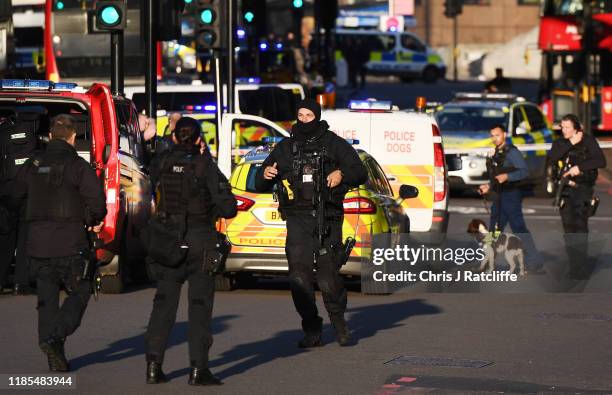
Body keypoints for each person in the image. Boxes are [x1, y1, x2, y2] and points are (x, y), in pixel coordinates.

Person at [255, 99, 368, 348]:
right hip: (297, 221)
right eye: (300, 114)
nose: (304, 119)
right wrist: (264, 174)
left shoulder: (333, 143)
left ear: (316, 116)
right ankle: (312, 329)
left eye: (308, 115)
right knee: (299, 279)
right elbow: (259, 182)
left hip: (327, 218)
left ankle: (339, 324)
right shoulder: (286, 147)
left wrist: (342, 174)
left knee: (328, 279)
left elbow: (360, 172)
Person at [144, 117, 237, 386]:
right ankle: (198, 369)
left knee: (163, 305)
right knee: (199, 307)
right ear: (198, 139)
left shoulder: (160, 163)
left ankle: (153, 365)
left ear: (174, 137)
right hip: (200, 241)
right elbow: (229, 207)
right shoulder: (204, 166)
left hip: (167, 239)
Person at [11, 114, 106, 371]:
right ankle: (56, 336)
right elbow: (97, 204)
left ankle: (54, 357)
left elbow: (14, 194)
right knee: (81, 291)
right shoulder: (78, 166)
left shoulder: (34, 163)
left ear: (51, 136)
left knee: (46, 300)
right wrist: (90, 218)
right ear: (73, 137)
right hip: (70, 243)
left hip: (38, 245)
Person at [548, 114, 606, 278]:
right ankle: (574, 264)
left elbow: (601, 161)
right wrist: (570, 143)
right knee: (569, 229)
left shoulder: (587, 141)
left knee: (580, 228)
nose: (564, 130)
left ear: (576, 128)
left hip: (583, 189)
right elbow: (552, 157)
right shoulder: (561, 142)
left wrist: (579, 168)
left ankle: (580, 266)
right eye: (562, 127)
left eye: (567, 127)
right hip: (566, 190)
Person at [478, 125, 541, 271]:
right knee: (493, 229)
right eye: (492, 135)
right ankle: (486, 260)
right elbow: (495, 177)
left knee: (518, 228)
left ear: (504, 135)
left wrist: (508, 176)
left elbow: (524, 171)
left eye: (497, 135)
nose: (495, 138)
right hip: (498, 195)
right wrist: (488, 186)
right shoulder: (495, 153)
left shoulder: (511, 152)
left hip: (511, 195)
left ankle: (534, 260)